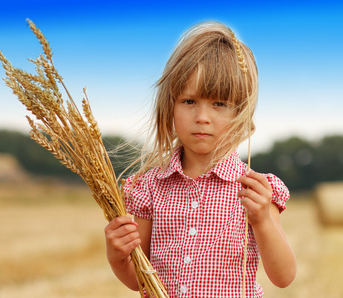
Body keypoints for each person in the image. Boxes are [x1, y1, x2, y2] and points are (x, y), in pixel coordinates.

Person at [104, 21, 297, 297]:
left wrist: (263, 220)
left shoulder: (255, 190)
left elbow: (284, 276)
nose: (202, 117)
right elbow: (140, 280)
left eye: (219, 104)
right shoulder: (147, 188)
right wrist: (117, 256)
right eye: (189, 101)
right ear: (170, 105)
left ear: (240, 111)